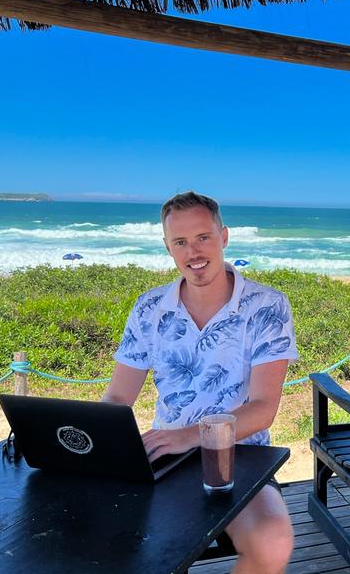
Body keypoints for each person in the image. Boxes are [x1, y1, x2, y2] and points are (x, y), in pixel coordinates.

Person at [102, 191, 297, 574]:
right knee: (105, 537)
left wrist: (190, 435)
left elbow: (263, 408)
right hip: (164, 457)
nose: (193, 252)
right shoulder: (148, 307)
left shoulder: (267, 306)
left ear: (223, 237)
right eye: (180, 242)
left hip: (241, 457)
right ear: (167, 247)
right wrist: (89, 436)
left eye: (203, 237)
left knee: (273, 542)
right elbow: (119, 394)